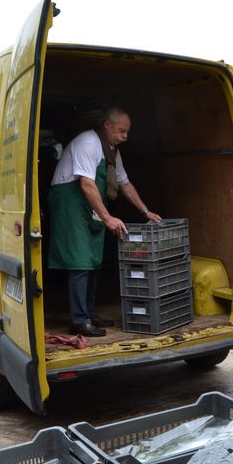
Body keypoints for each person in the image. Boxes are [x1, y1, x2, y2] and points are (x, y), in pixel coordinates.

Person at [48, 106, 162, 337]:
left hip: (89, 205)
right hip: (71, 204)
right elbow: (86, 184)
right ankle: (79, 321)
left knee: (92, 260)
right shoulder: (88, 143)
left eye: (127, 131)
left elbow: (124, 183)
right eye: (121, 131)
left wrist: (145, 211)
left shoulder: (111, 151)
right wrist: (108, 217)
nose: (125, 136)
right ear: (107, 125)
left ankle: (89, 314)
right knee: (79, 262)